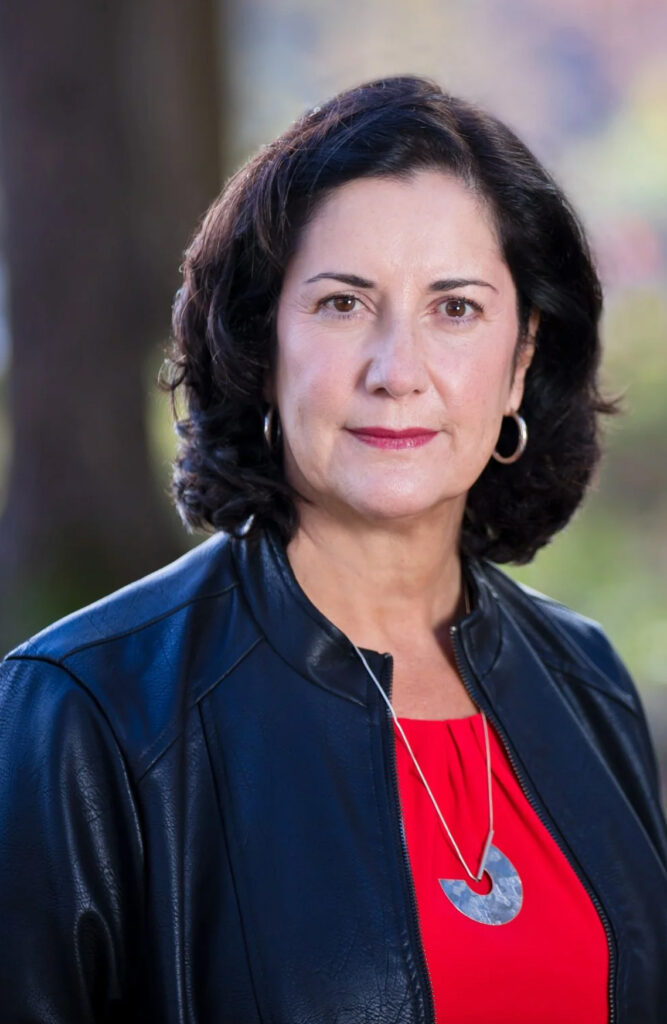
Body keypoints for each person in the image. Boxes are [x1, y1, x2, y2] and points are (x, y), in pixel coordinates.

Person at [0, 75, 665, 1024]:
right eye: (344, 304)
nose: (397, 372)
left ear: (521, 360)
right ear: (262, 345)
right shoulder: (83, 712)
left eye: (456, 309)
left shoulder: (588, 684)